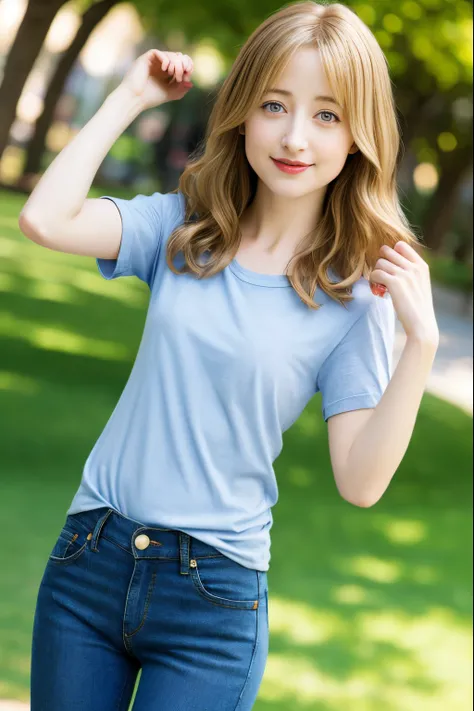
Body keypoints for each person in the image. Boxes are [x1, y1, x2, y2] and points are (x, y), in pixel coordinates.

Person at [19, 2, 440, 709]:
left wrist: (421, 345)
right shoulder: (183, 230)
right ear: (243, 111)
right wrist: (132, 95)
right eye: (275, 104)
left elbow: (360, 481)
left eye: (327, 115)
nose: (295, 136)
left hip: (212, 602)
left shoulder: (351, 297)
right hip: (89, 560)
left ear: (360, 137)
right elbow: (45, 218)